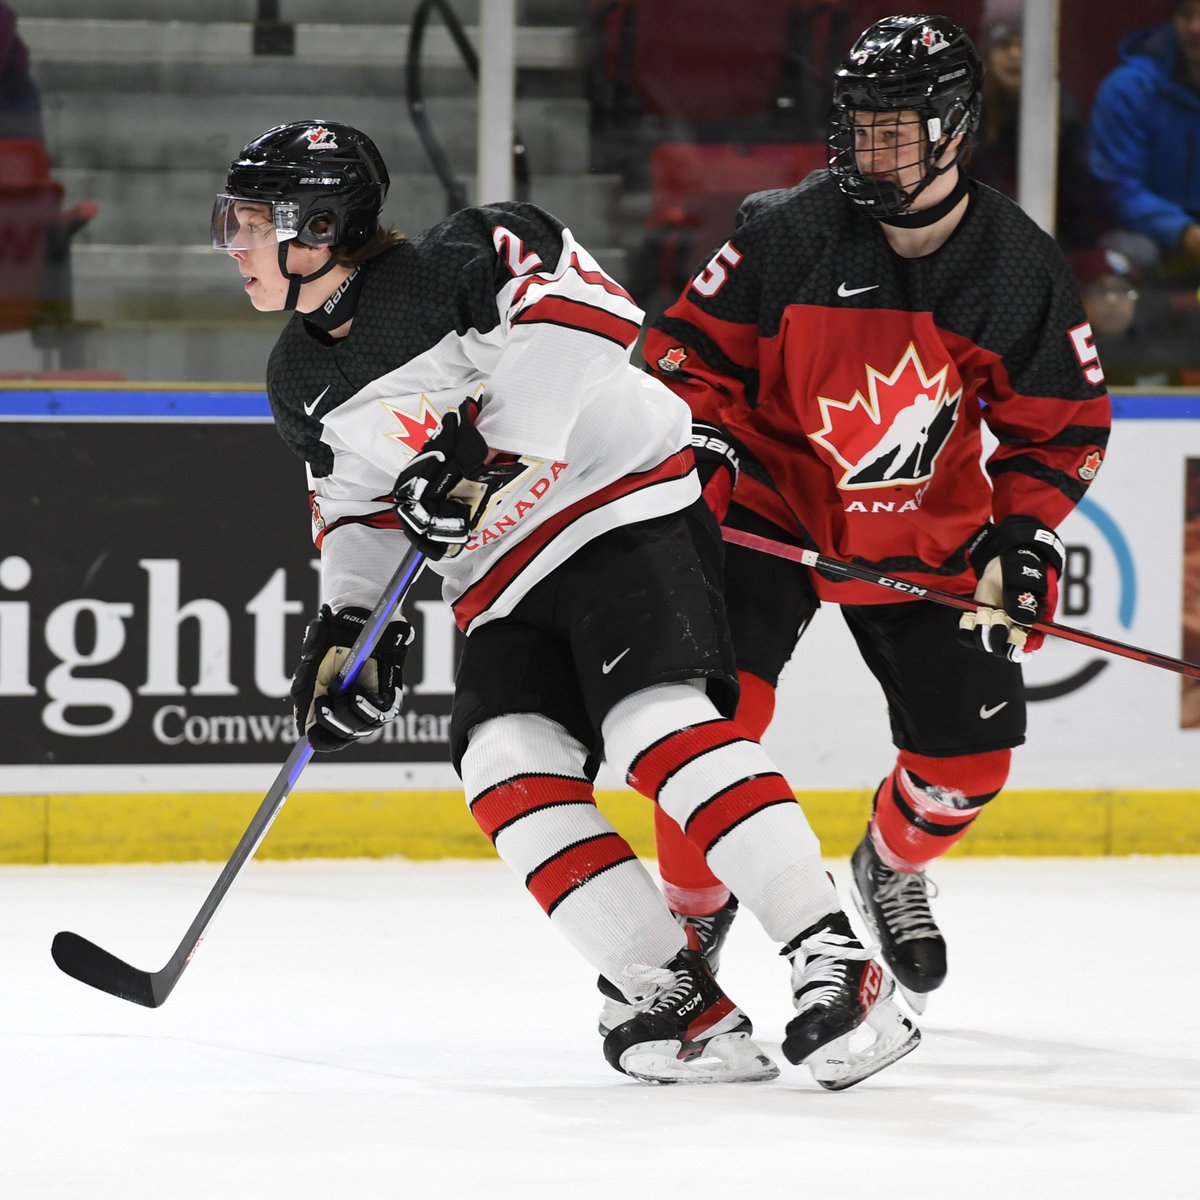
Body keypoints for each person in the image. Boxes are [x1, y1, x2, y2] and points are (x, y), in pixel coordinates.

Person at [211, 119, 921, 1087]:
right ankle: (677, 998)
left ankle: (832, 955)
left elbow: (593, 317)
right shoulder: (298, 377)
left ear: (322, 226)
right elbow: (356, 509)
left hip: (621, 510)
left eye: (254, 225)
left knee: (652, 723)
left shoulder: (472, 252)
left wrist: (492, 451)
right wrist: (350, 627)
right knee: (505, 764)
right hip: (500, 580)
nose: (233, 245)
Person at [641, 14, 1112, 1014]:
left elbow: (1060, 427)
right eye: (859, 126)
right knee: (707, 721)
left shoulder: (1014, 265)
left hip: (923, 527)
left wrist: (1024, 535)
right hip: (770, 504)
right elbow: (685, 360)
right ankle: (689, 917)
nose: (869, 147)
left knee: (968, 765)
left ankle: (890, 865)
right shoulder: (787, 231)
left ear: (956, 132)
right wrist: (705, 451)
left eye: (895, 129)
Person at [970, 12, 1113, 253]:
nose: (1015, 54)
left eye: (1023, 45)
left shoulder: (1061, 114)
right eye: (1004, 46)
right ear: (987, 55)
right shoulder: (969, 112)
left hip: (1053, 239)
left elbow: (1080, 199)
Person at [1089, 0, 1200, 284]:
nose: (1196, 27)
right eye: (1186, 14)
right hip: (1144, 235)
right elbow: (1115, 186)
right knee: (1128, 255)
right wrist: (1183, 231)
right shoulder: (1129, 88)